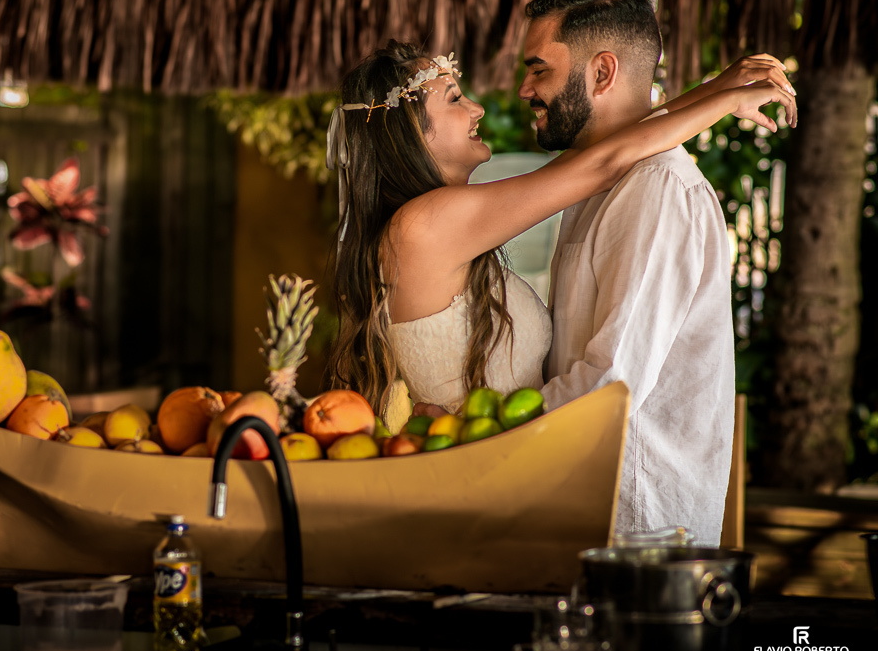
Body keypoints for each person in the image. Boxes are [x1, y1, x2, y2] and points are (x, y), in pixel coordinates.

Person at [323, 34, 794, 465]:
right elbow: (603, 163)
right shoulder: (424, 226)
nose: (477, 109)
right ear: (411, 132)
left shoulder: (429, 222)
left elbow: (607, 150)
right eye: (454, 99)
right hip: (492, 470)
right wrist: (728, 99)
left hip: (509, 459)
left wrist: (715, 91)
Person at [516, 0, 797, 545]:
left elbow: (608, 387)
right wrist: (715, 90)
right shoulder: (601, 177)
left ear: (601, 72)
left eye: (538, 68)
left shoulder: (657, 189)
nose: (524, 90)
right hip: (589, 507)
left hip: (638, 530)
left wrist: (484, 424)